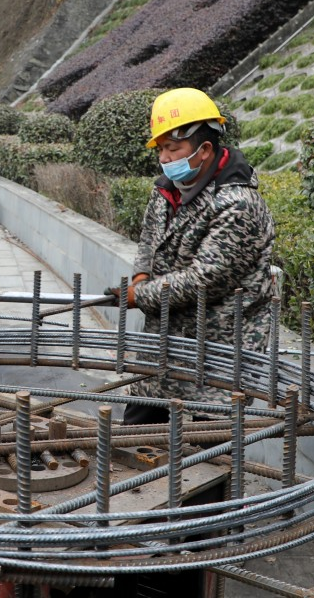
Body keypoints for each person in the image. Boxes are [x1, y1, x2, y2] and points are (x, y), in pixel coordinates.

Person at [117, 87, 275, 424]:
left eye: (173, 149)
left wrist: (139, 296)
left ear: (204, 150)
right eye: (160, 149)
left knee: (210, 451)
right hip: (166, 337)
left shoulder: (238, 204)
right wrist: (141, 275)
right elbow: (149, 238)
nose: (164, 158)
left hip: (220, 344)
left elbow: (205, 278)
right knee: (137, 438)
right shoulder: (166, 190)